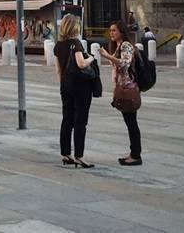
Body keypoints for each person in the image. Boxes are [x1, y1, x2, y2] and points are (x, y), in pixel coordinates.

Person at [55, 14, 96, 168]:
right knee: (80, 122)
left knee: (67, 120)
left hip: (65, 86)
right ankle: (79, 156)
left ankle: (66, 154)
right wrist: (91, 58)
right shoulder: (76, 44)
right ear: (74, 27)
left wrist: (63, 85)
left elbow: (58, 70)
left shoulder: (58, 45)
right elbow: (80, 63)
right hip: (81, 87)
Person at [101, 20, 142, 166]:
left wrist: (107, 56)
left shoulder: (125, 45)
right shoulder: (119, 45)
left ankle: (136, 155)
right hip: (122, 88)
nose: (111, 33)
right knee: (129, 122)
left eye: (114, 30)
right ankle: (133, 152)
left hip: (128, 89)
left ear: (121, 32)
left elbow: (125, 63)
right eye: (110, 30)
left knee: (132, 123)